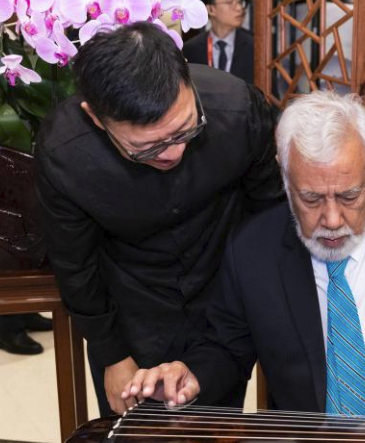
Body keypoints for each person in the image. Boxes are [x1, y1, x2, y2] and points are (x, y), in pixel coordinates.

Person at [122, 91, 365, 421]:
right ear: (284, 175)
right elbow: (225, 348)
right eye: (311, 198)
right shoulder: (252, 250)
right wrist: (191, 375)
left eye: (349, 196)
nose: (332, 220)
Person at [36, 22, 283, 417]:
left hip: (220, 297)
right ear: (96, 118)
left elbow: (270, 213)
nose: (172, 154)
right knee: (136, 441)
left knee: (217, 432)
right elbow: (75, 264)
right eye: (146, 148)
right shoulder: (66, 153)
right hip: (131, 308)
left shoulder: (237, 110)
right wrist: (112, 354)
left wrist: (253, 307)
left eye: (185, 131)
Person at [183, 0, 254, 84]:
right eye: (230, 3)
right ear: (211, 9)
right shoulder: (190, 49)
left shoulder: (254, 46)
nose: (239, 8)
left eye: (240, 3)